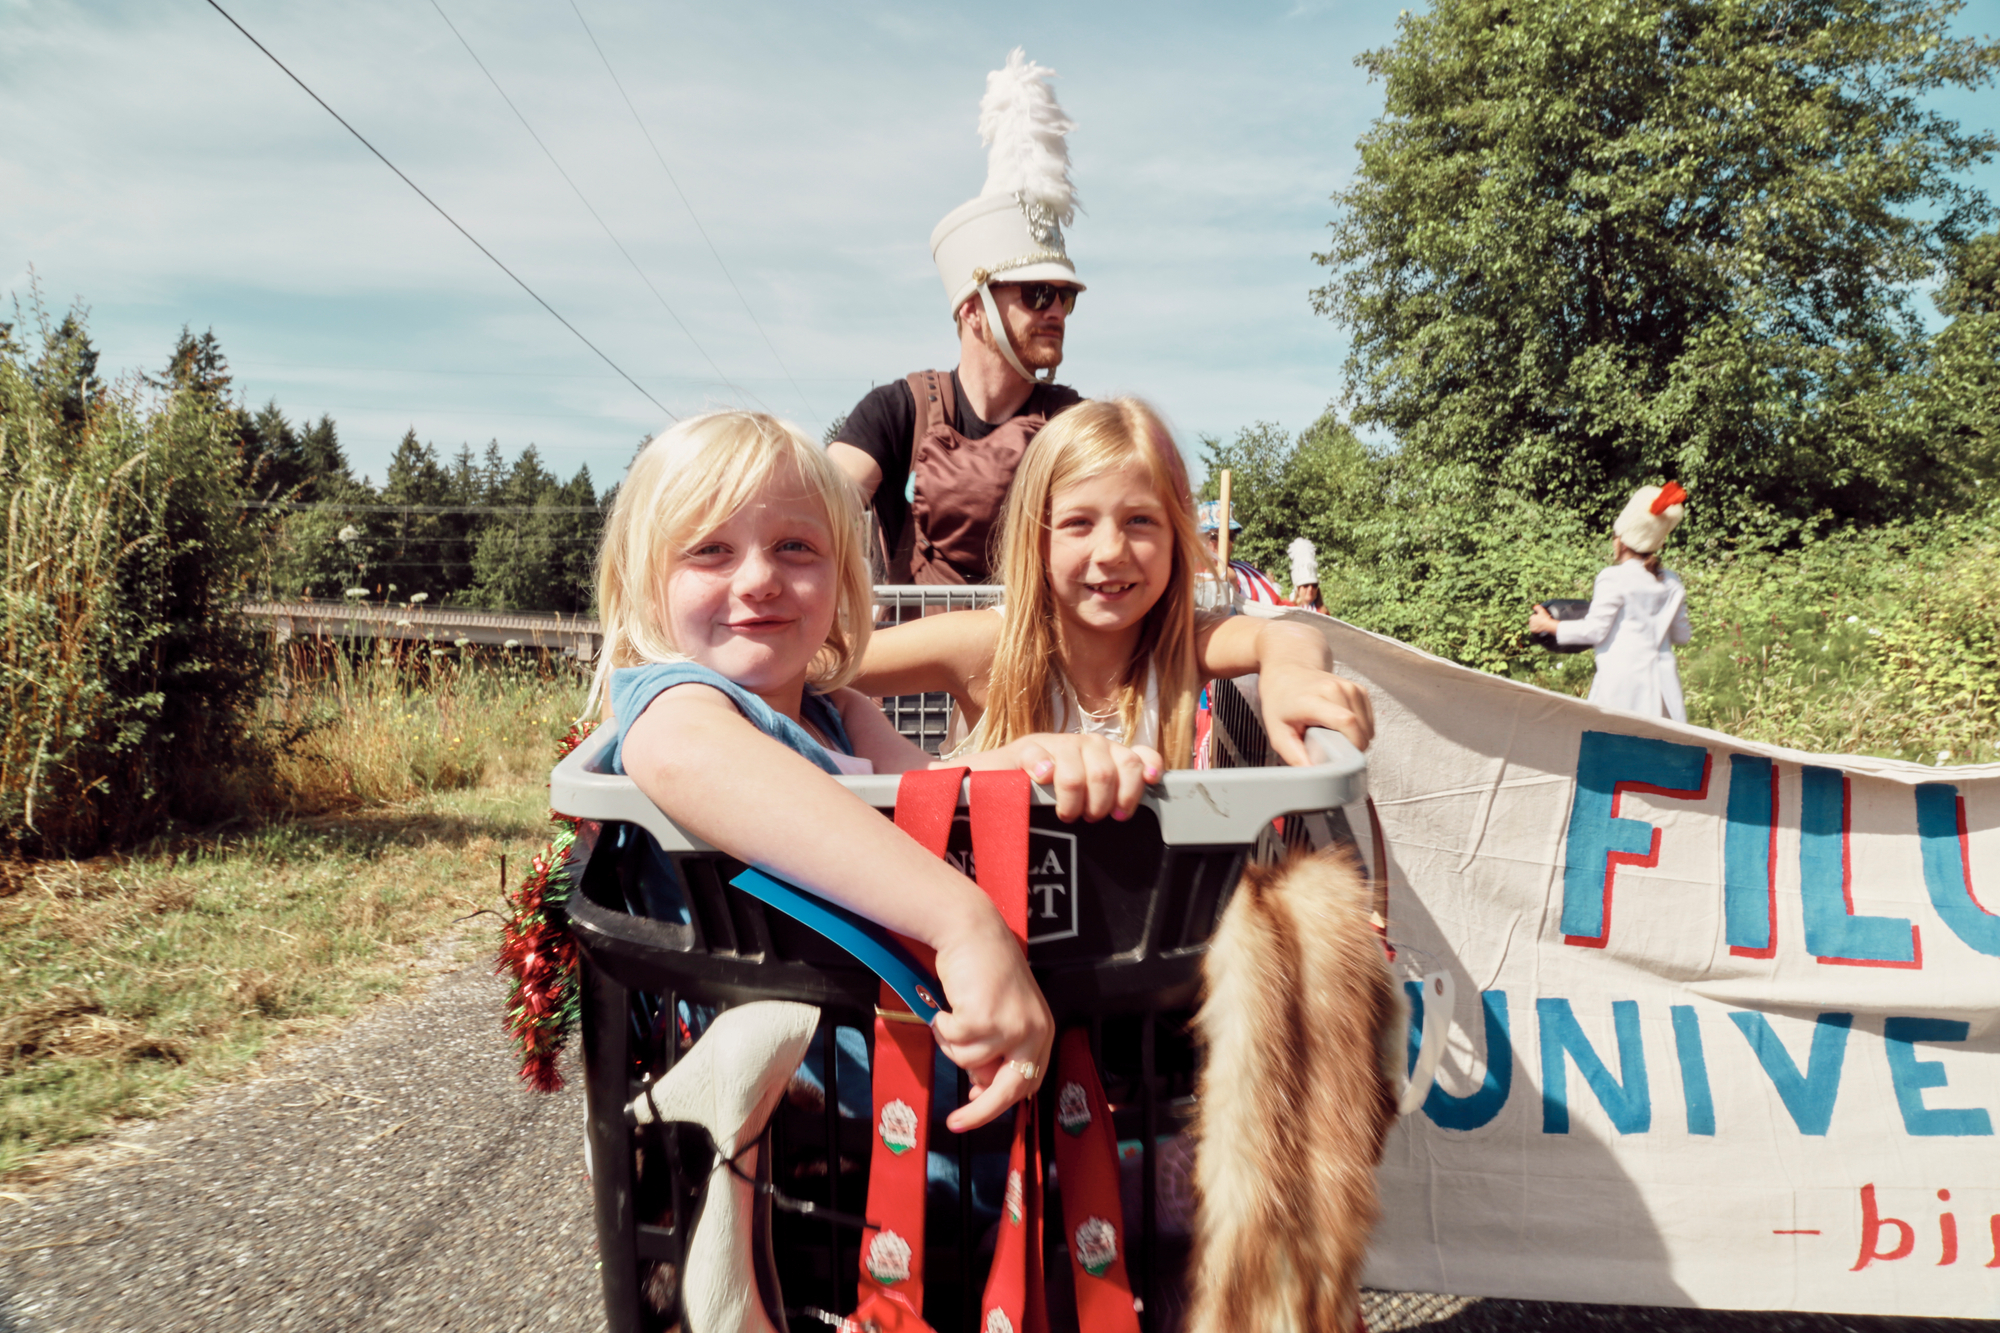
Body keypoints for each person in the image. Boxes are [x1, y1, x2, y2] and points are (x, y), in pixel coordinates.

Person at [591, 410, 1162, 1128]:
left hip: (900, 1057)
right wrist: (962, 921)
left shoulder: (842, 710)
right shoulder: (674, 699)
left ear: (841, 575)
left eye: (796, 546)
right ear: (645, 586)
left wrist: (1024, 759)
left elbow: (935, 789)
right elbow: (684, 756)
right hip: (790, 1107)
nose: (760, 578)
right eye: (710, 551)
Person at [851, 398, 1374, 769]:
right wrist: (902, 758)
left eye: (1141, 522)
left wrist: (1291, 678)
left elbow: (1289, 635)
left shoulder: (1178, 647)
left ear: (1176, 539)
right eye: (1079, 523)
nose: (1112, 552)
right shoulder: (988, 646)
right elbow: (822, 669)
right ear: (1038, 541)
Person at [828, 50, 1086, 586]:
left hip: (1030, 666)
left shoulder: (1072, 424)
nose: (1057, 310)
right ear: (973, 309)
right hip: (914, 663)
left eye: (1065, 296)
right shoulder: (894, 412)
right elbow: (814, 506)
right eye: (1039, 293)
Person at [1528, 482, 1693, 722]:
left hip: (1622, 690)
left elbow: (1594, 630)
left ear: (1622, 541)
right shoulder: (1672, 581)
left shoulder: (1613, 577)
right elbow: (1683, 636)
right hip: (1664, 693)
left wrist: (1548, 625)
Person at [1194, 501, 1286, 607]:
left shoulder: (1247, 574)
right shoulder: (1185, 569)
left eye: (1231, 536)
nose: (1227, 543)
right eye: (1215, 536)